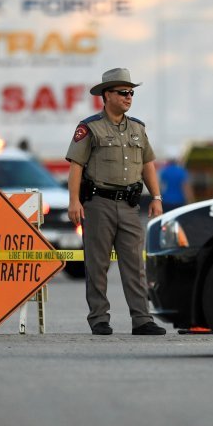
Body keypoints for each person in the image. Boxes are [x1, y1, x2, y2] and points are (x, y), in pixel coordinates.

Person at [65, 68, 166, 336]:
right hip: (99, 203)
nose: (128, 97)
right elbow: (76, 166)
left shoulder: (137, 128)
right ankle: (99, 318)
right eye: (123, 92)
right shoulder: (90, 128)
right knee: (97, 264)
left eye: (131, 92)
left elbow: (147, 164)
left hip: (130, 205)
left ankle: (142, 319)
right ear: (106, 95)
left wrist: (156, 197)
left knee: (135, 265)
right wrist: (74, 201)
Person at [159, 146, 193, 212]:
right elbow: (186, 188)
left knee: (167, 220)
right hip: (179, 201)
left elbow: (160, 187)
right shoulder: (181, 171)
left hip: (166, 201)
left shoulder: (164, 171)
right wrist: (190, 200)